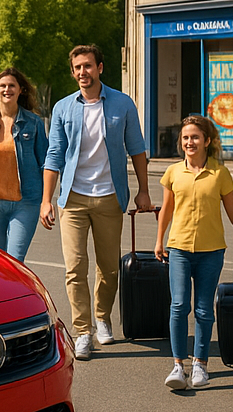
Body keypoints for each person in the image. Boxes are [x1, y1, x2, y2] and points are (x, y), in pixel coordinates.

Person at [40, 44, 151, 360]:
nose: (81, 73)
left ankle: (103, 317)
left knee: (108, 267)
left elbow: (137, 150)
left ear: (100, 68)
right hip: (72, 199)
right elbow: (54, 155)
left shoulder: (122, 104)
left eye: (87, 66)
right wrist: (47, 200)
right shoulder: (64, 108)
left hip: (109, 197)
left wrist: (143, 190)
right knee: (75, 267)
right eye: (77, 67)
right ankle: (83, 330)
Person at [153, 115, 233, 390]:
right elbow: (167, 210)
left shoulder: (220, 173)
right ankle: (178, 365)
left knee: (202, 309)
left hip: (211, 251)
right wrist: (159, 240)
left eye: (195, 137)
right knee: (178, 306)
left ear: (207, 141)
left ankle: (200, 364)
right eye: (185, 137)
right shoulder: (173, 172)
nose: (190, 142)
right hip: (179, 248)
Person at [0, 67, 49, 261]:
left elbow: (45, 163)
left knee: (15, 261)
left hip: (26, 203)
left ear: (21, 90)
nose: (7, 89)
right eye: (2, 86)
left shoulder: (33, 123)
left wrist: (46, 200)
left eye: (12, 85)